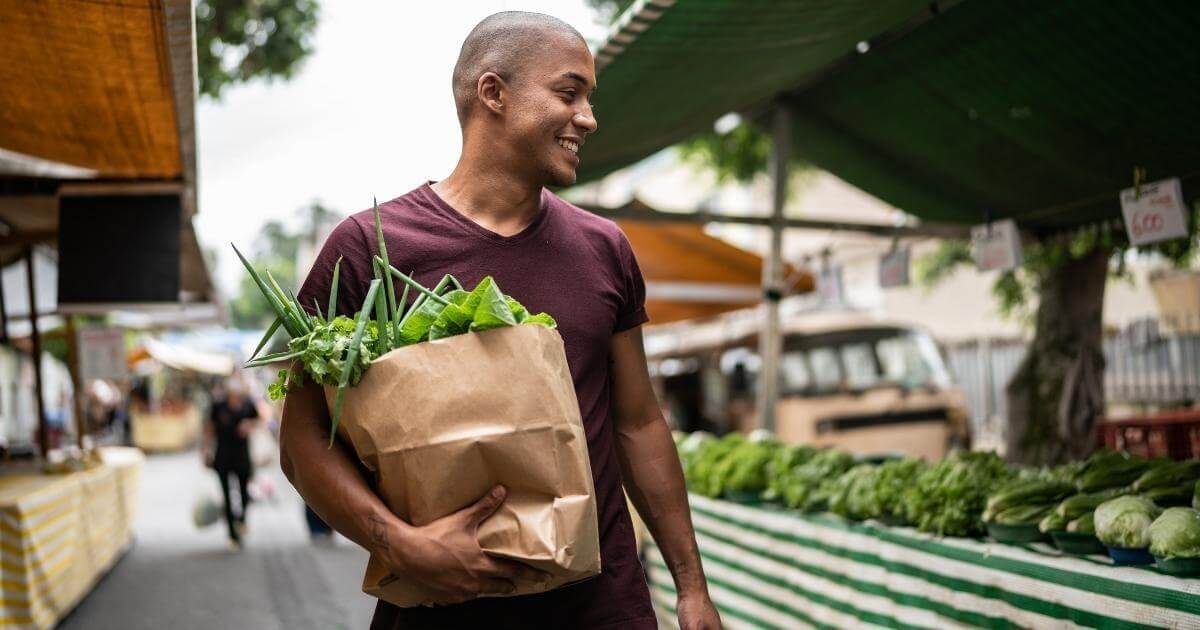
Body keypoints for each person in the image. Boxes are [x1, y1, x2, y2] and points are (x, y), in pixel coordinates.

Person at [281, 11, 720, 630]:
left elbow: (639, 422)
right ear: (493, 93)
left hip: (600, 605)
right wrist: (398, 544)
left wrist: (691, 586)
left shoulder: (604, 248)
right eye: (570, 93)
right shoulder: (370, 248)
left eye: (589, 98)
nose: (589, 118)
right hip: (439, 607)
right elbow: (302, 440)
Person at [202, 376, 259, 550]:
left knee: (243, 492)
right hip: (223, 455)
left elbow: (260, 419)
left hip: (242, 455)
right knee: (226, 495)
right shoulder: (218, 406)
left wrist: (249, 424)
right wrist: (205, 450)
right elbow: (209, 429)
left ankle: (241, 520)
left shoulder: (248, 404)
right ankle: (232, 534)